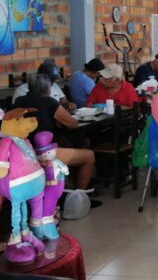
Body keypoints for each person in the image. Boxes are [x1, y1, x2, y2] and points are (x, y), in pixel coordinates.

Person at [13, 74, 97, 203]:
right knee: (89, 156)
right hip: (42, 153)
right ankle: (77, 199)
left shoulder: (19, 101)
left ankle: (65, 188)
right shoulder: (49, 101)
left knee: (65, 143)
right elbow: (72, 124)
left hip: (22, 151)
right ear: (48, 89)